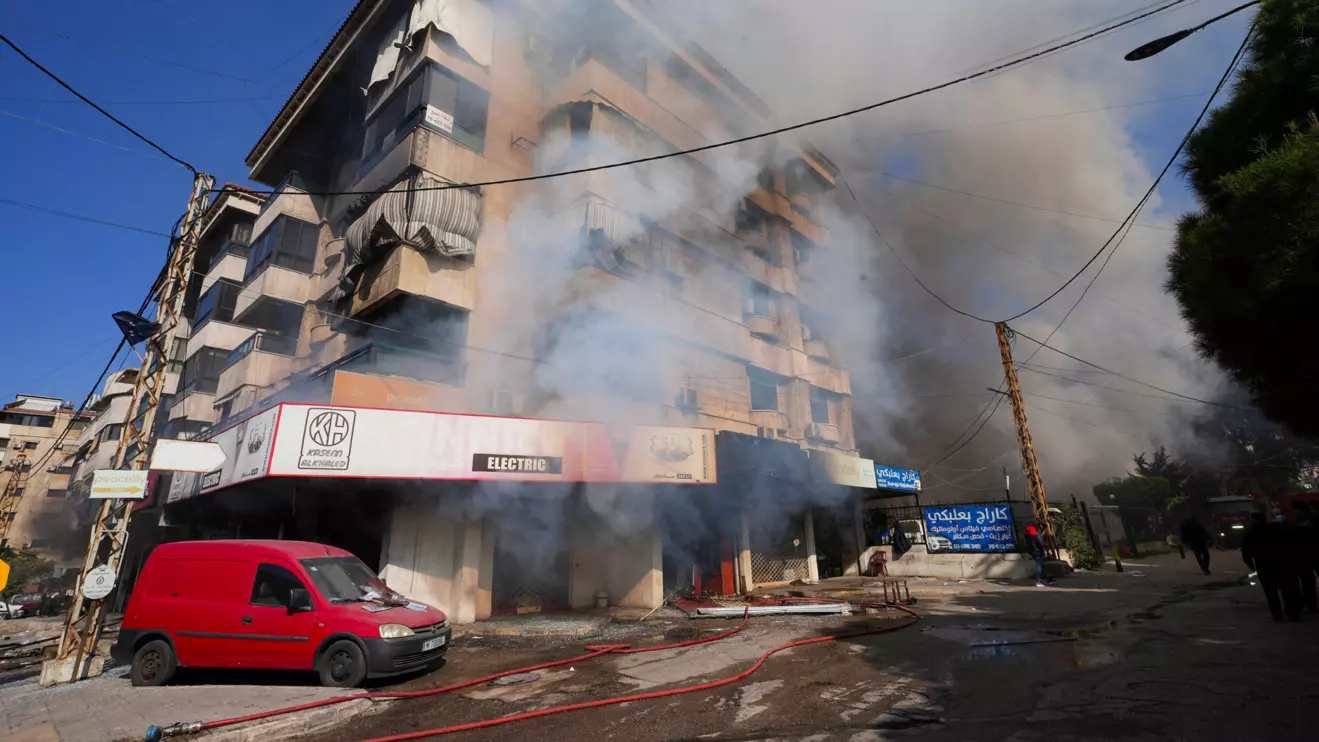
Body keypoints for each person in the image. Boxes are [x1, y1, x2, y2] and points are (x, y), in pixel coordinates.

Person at [1242, 511, 1303, 622]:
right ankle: (1292, 614)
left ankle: (1277, 615)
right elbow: (1292, 543)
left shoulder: (1250, 532)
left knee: (1271, 592)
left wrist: (1252, 566)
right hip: (1282, 563)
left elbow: (1245, 553)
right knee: (1287, 590)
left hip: (1264, 565)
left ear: (1253, 519)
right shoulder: (1278, 528)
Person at [1289, 502, 1318, 612]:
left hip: (1306, 557)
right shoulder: (1305, 523)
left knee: (1306, 581)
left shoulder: (1308, 523)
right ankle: (1310, 604)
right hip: (1306, 557)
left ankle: (1308, 604)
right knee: (1307, 581)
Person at [1025, 522, 1050, 587]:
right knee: (1039, 566)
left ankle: (1049, 579)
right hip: (1037, 551)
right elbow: (1040, 543)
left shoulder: (1026, 534)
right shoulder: (1035, 533)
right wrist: (1045, 545)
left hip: (1031, 551)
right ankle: (1038, 582)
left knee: (1041, 565)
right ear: (1036, 527)